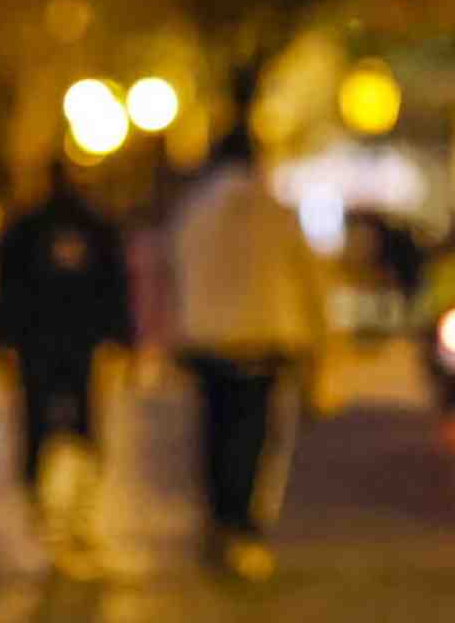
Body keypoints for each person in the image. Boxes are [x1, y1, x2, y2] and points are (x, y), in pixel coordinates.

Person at [169, 126, 328, 582]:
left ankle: (220, 519)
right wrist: (319, 348)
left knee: (215, 432)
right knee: (254, 436)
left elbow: (174, 273)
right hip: (264, 340)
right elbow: (310, 284)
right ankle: (242, 527)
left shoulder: (194, 211)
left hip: (206, 341)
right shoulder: (275, 212)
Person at [0, 160, 133, 579]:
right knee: (85, 429)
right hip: (80, 345)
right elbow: (115, 287)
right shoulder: (94, 223)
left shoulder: (27, 225)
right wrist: (121, 338)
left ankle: (48, 512)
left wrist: (3, 341)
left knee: (38, 427)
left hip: (38, 344)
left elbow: (8, 289)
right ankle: (73, 516)